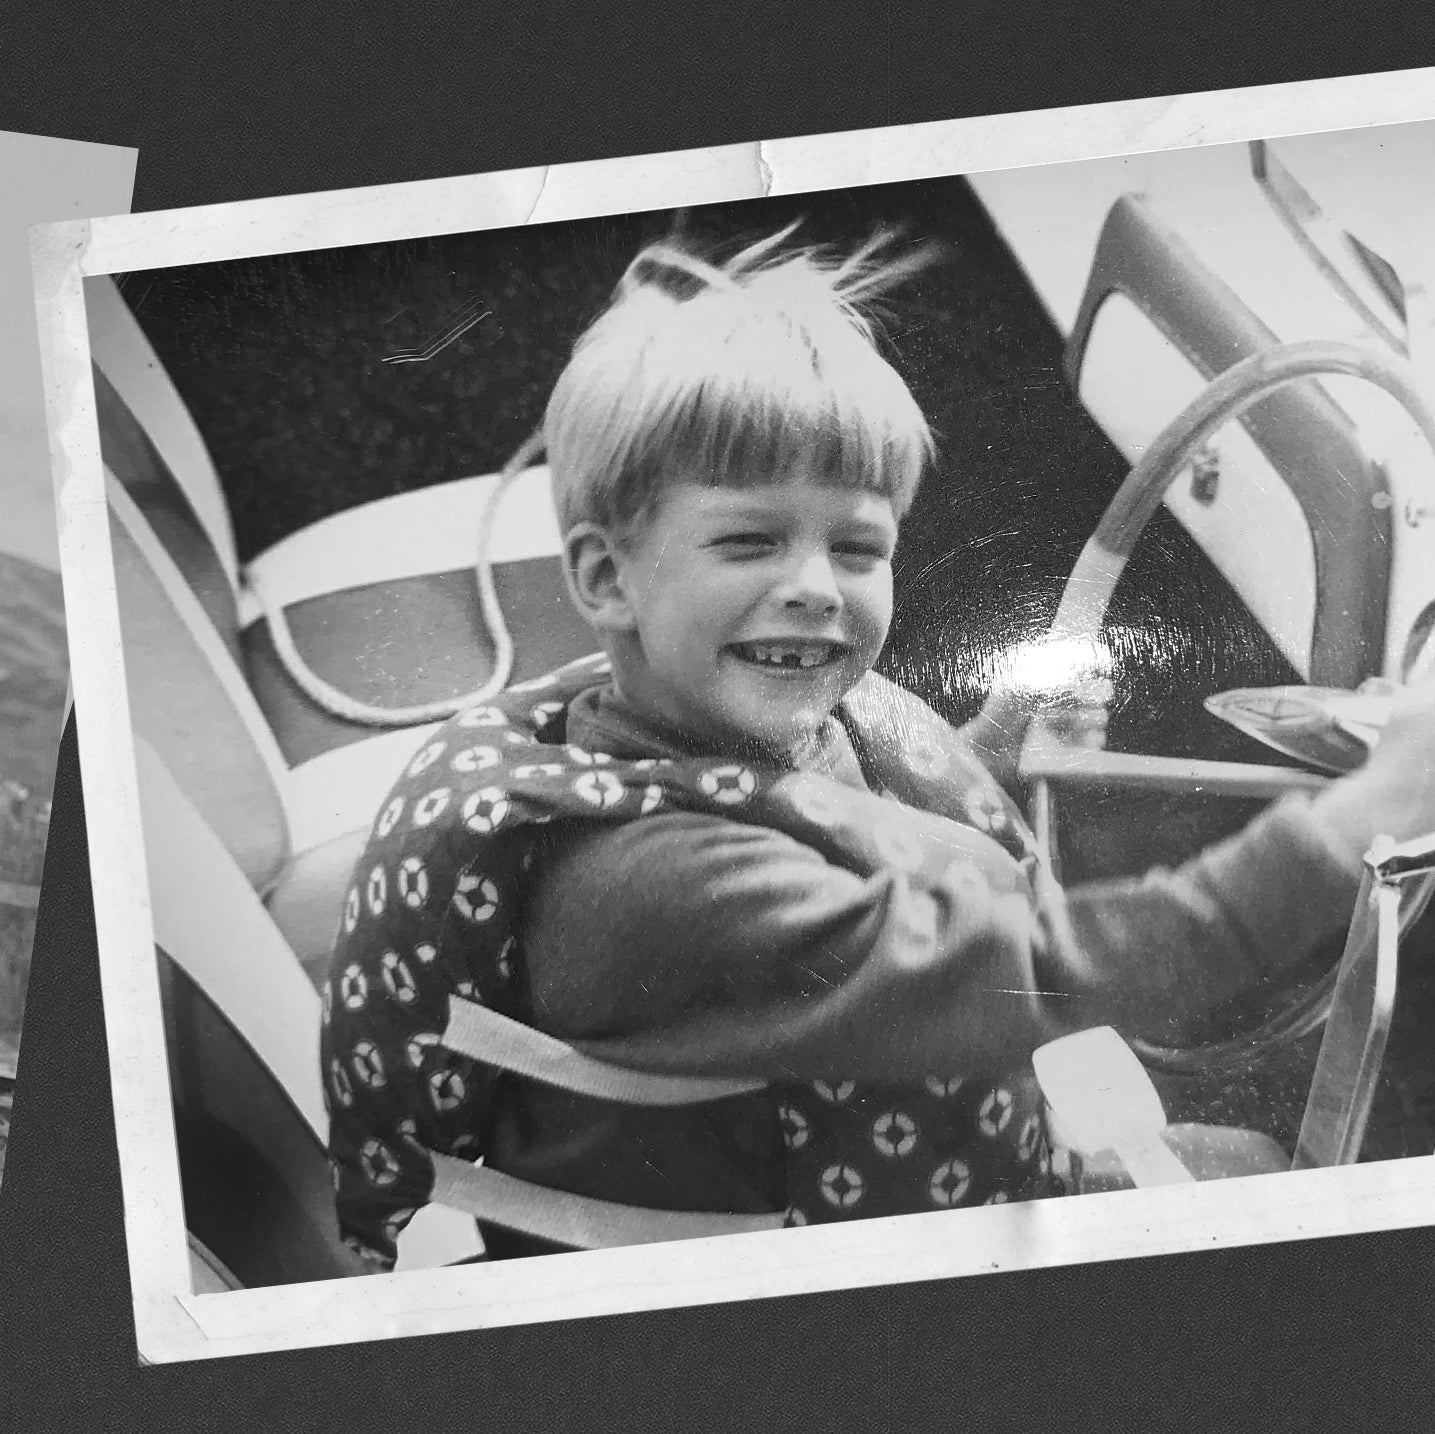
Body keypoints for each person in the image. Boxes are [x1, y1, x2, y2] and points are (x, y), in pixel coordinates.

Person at [322, 224, 1435, 1266]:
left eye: (857, 546)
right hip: (834, 1272)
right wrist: (1360, 813)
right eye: (749, 539)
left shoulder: (719, 714)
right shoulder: (649, 889)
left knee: (1248, 1174)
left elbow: (840, 822)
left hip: (907, 1128)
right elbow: (1049, 978)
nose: (812, 588)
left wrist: (981, 753)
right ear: (607, 578)